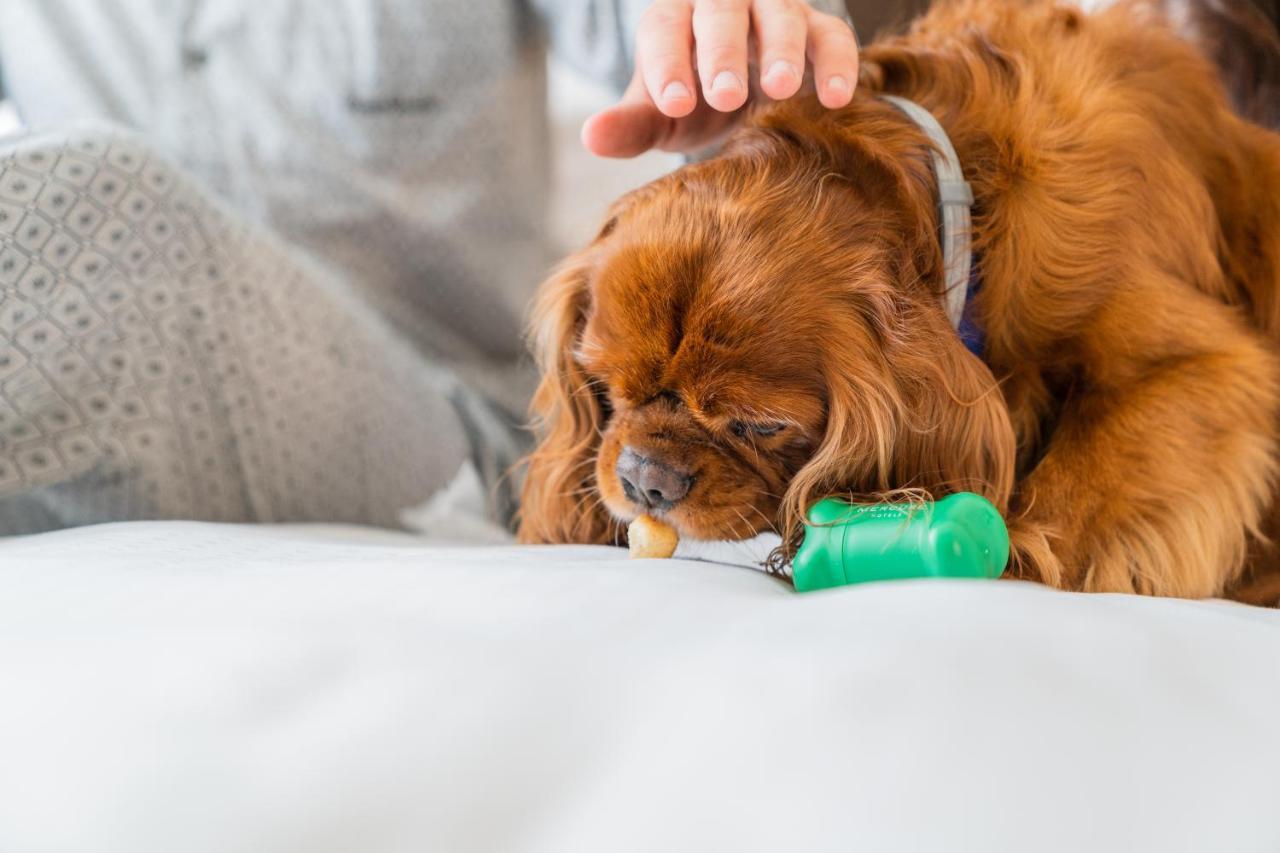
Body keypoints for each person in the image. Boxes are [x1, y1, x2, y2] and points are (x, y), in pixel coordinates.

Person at [0, 0, 860, 535]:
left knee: (105, 212)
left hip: (441, 422)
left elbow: (688, 23)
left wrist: (733, 36)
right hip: (83, 426)